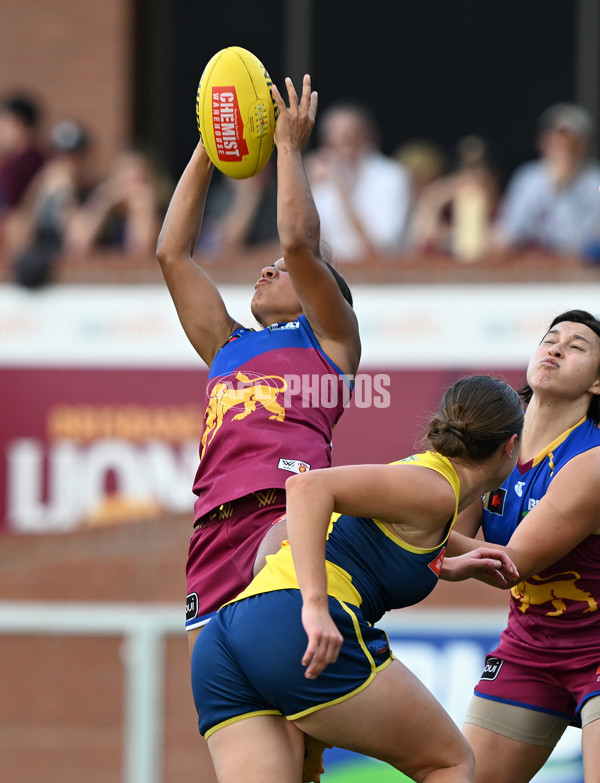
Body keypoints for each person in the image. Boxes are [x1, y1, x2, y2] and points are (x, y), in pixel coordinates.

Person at [156, 75, 360, 782]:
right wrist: (213, 147)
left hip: (286, 520)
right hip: (211, 536)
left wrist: (287, 150)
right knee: (268, 761)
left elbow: (300, 242)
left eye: (288, 271)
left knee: (299, 733)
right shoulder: (227, 345)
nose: (270, 265)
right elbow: (172, 255)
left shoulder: (330, 342)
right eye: (267, 267)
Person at [190, 374, 524, 783]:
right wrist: (313, 607)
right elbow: (306, 487)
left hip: (226, 639)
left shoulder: (425, 491)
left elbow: (285, 544)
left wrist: (448, 562)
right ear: (510, 446)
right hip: (296, 625)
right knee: (449, 763)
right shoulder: (435, 489)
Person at [446, 309, 600, 783]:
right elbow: (448, 534)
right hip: (530, 648)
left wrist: (365, 510)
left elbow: (508, 565)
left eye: (577, 347)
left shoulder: (593, 459)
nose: (555, 347)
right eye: (550, 339)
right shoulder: (492, 443)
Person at [305, 101, 412, 262]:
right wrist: (302, 188)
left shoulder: (393, 177)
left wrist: (343, 194)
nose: (338, 152)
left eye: (347, 141)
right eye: (331, 144)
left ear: (368, 139)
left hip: (378, 279)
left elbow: (378, 252)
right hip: (328, 274)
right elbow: (299, 243)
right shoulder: (322, 178)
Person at [491, 103, 600, 261]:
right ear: (543, 141)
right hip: (535, 271)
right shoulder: (528, 178)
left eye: (571, 142)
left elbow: (581, 242)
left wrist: (564, 187)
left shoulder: (596, 181)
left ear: (583, 144)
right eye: (557, 140)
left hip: (584, 273)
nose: (564, 147)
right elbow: (507, 235)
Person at [6, 119, 95, 288]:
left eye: (73, 156)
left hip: (76, 288)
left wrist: (66, 194)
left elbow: (77, 244)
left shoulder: (91, 193)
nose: (66, 162)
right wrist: (38, 190)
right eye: (59, 155)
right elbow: (16, 241)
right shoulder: (41, 189)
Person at [66, 144, 172, 261]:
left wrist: (143, 213)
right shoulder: (105, 210)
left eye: (138, 183)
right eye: (125, 183)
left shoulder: (160, 214)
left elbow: (141, 252)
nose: (131, 190)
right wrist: (103, 201)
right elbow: (76, 246)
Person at [408, 134, 501, 261]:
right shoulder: (447, 209)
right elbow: (422, 238)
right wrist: (438, 196)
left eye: (476, 166)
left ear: (493, 174)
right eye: (464, 167)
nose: (469, 175)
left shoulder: (502, 209)